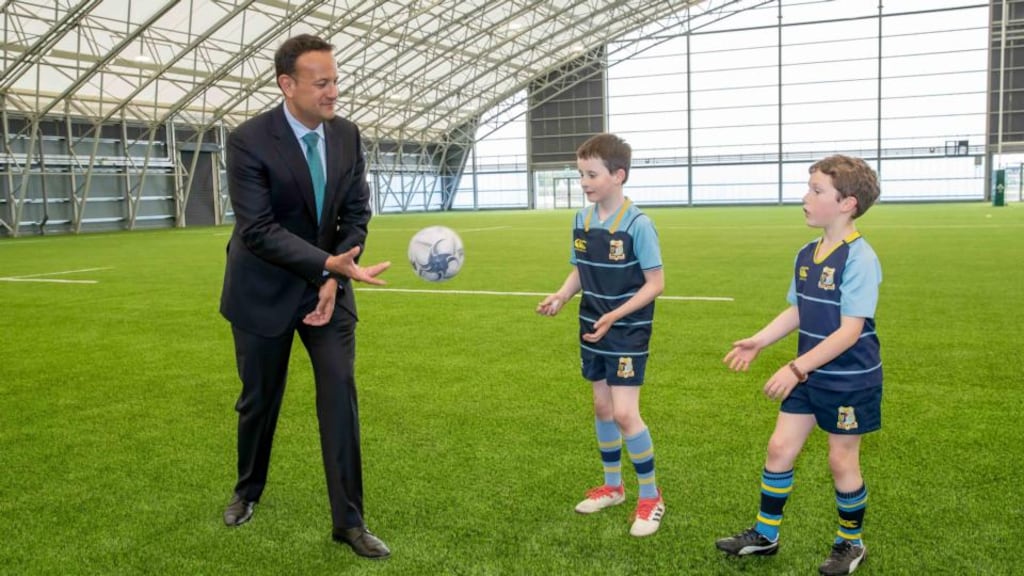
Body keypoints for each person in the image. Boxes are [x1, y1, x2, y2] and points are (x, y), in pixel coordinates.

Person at [219, 33, 392, 559]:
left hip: (329, 289)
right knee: (258, 401)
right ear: (287, 85)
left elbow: (356, 213)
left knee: (340, 394)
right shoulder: (248, 139)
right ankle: (247, 491)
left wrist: (333, 277)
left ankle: (349, 522)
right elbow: (259, 230)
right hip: (262, 289)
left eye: (335, 80)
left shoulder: (347, 136)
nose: (333, 91)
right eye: (322, 82)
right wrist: (325, 264)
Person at [715, 155, 883, 576]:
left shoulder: (860, 258)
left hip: (848, 378)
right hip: (809, 373)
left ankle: (850, 543)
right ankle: (765, 535)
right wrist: (759, 341)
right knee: (779, 448)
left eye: (816, 191)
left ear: (847, 204)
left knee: (841, 461)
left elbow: (848, 332)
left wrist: (795, 368)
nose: (805, 198)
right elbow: (798, 311)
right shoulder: (807, 253)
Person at [537, 133, 666, 537]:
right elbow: (580, 267)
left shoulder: (638, 224)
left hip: (627, 329)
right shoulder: (582, 219)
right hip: (592, 324)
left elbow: (655, 283)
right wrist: (561, 295)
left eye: (592, 174)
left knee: (626, 413)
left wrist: (615, 315)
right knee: (602, 408)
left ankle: (651, 497)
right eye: (581, 174)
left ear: (619, 175)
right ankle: (613, 487)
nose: (584, 182)